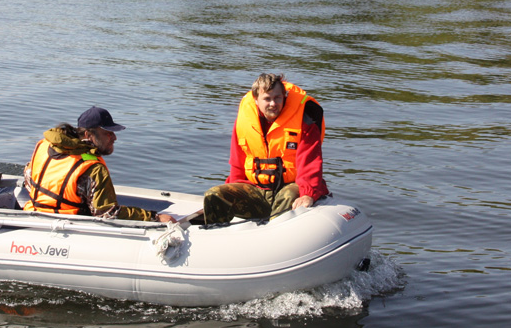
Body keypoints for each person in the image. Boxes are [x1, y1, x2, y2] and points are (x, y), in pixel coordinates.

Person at [202, 74, 329, 224]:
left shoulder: (305, 121)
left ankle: (276, 240)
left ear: (285, 97)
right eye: (267, 99)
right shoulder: (244, 122)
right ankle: (218, 236)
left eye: (278, 98)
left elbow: (311, 162)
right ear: (256, 99)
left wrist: (308, 194)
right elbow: (238, 161)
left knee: (288, 195)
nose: (273, 103)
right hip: (257, 189)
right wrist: (234, 188)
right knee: (214, 194)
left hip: (291, 187)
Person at [23, 106, 176, 223]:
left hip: (32, 216)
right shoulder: (93, 168)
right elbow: (107, 213)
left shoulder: (43, 145)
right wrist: (154, 218)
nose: (114, 137)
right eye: (108, 133)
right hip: (66, 225)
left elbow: (28, 179)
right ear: (88, 135)